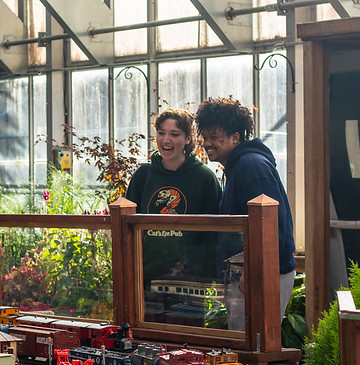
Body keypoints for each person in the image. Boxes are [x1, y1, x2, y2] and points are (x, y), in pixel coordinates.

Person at [194, 97, 296, 325]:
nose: (207, 143)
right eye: (205, 138)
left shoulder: (250, 166)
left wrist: (251, 272)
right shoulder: (237, 167)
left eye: (214, 138)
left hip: (259, 274)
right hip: (246, 273)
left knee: (255, 345)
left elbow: (271, 223)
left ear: (235, 138)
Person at [125, 108, 222, 318]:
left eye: (174, 134)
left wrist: (206, 275)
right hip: (146, 278)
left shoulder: (204, 178)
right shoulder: (143, 175)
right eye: (161, 133)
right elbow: (127, 227)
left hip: (189, 282)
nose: (166, 139)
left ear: (188, 139)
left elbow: (214, 233)